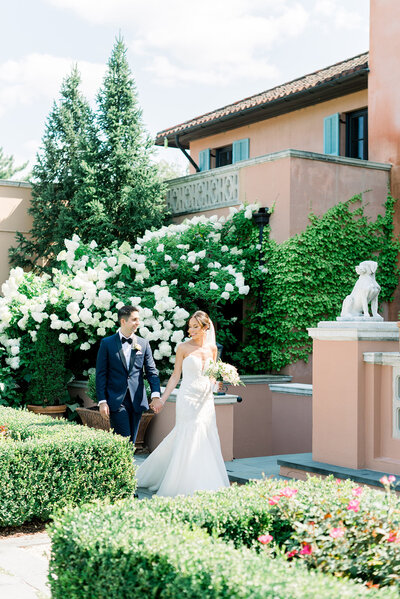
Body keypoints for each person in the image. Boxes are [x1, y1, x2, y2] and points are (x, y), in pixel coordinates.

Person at [136, 310, 230, 496]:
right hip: (187, 398)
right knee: (189, 435)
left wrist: (217, 384)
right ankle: (181, 482)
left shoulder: (212, 349)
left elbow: (211, 376)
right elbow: (175, 376)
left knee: (206, 435)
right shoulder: (183, 348)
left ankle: (205, 481)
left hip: (205, 400)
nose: (191, 330)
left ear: (206, 328)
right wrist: (162, 399)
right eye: (190, 326)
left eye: (195, 326)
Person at [96, 305, 161, 443]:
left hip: (137, 400)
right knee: (123, 440)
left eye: (138, 319)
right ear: (123, 321)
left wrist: (155, 395)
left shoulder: (143, 344)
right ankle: (124, 463)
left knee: (131, 441)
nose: (138, 323)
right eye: (134, 319)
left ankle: (125, 464)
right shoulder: (107, 343)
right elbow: (101, 374)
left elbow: (151, 371)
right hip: (116, 400)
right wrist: (102, 401)